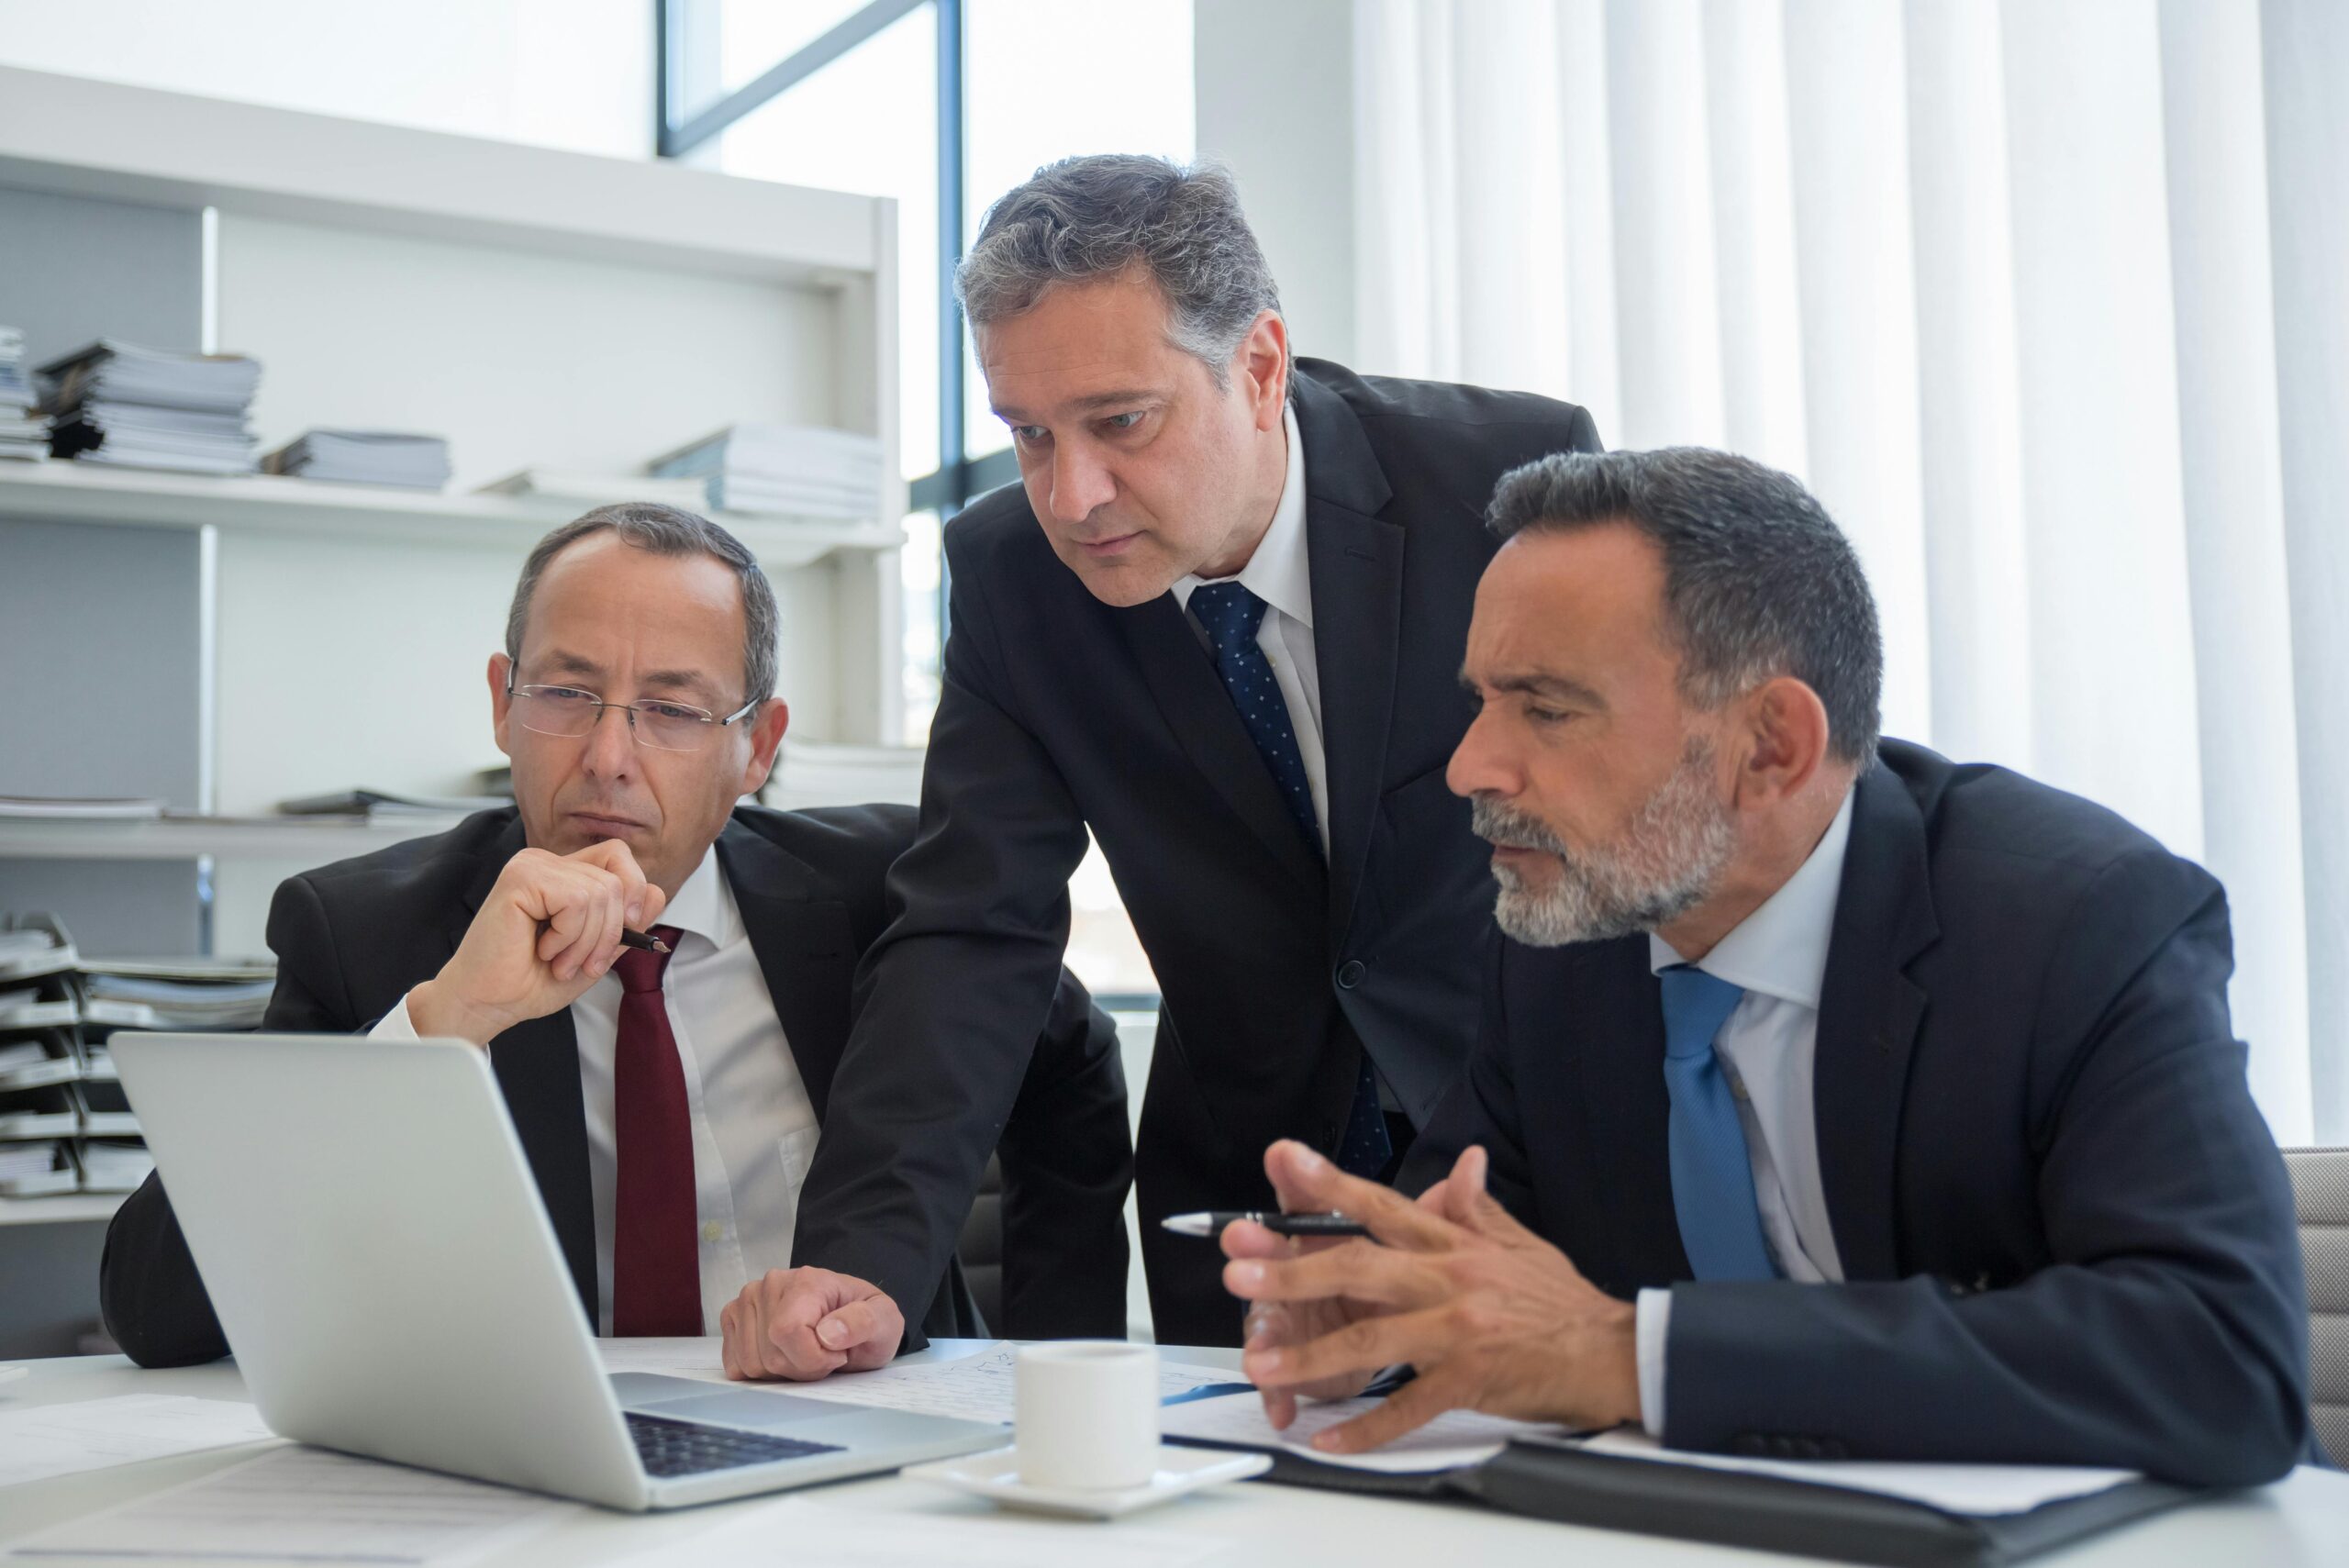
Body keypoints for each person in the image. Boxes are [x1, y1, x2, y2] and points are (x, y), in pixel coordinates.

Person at [1219, 447, 2315, 1485]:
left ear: (1772, 745)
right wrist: (1362, 1317)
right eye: (1480, 700)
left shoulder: (2077, 922)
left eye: (1546, 708)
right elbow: (1471, 1266)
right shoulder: (1562, 936)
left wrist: (1626, 1354)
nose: (1469, 766)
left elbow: (2221, 1352)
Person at [751, 154, 1604, 1356]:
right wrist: (862, 1260)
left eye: (1120, 423)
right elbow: (970, 932)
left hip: (1527, 1168)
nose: (1072, 494)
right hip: (1248, 1202)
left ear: (1257, 368)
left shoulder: (1503, 488)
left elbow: (1625, 849)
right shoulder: (1014, 580)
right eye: (1028, 435)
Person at [100, 504, 1131, 1376]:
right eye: (565, 694)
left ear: (757, 747)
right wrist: (451, 1018)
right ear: (503, 703)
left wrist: (1038, 1368)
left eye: (673, 711)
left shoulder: (885, 894)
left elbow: (1071, 1068)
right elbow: (154, 1310)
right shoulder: (370, 931)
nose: (608, 758)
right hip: (548, 1466)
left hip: (861, 1448)